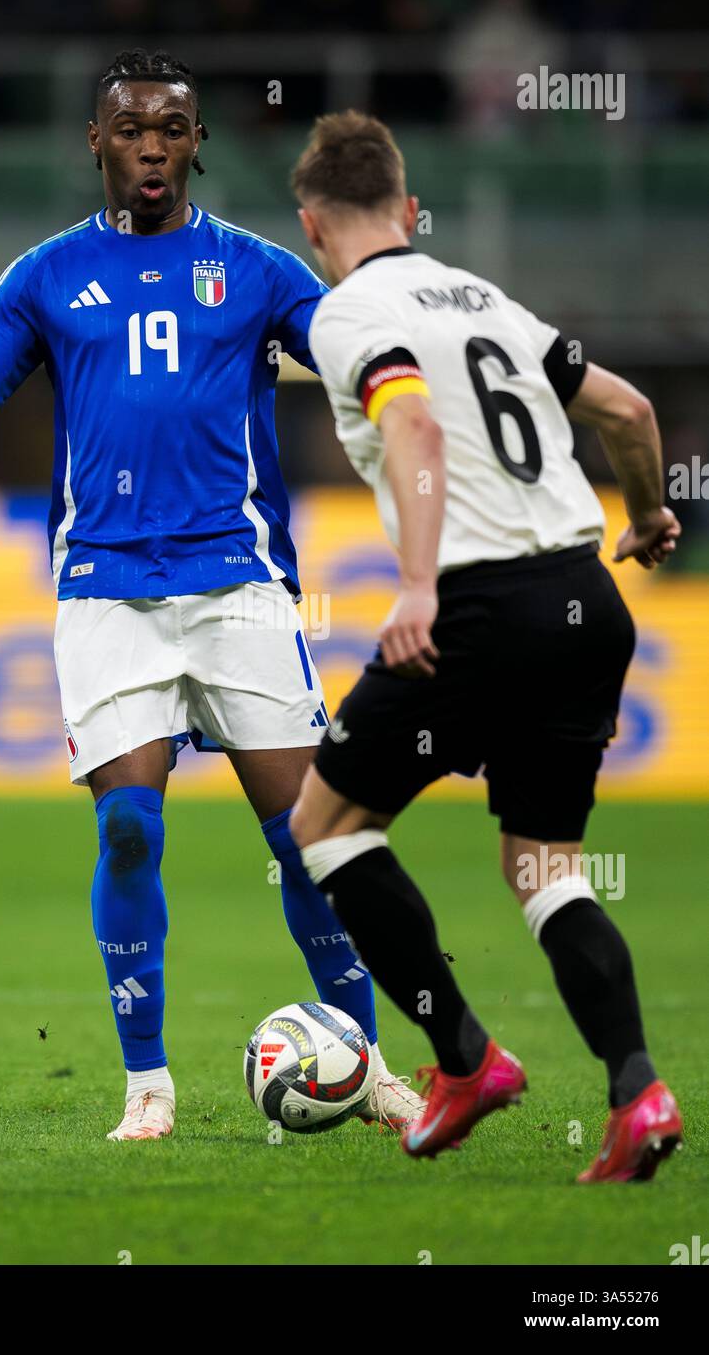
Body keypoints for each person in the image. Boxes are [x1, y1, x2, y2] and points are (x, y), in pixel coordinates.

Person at [0, 54, 425, 1141]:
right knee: (129, 830)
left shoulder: (257, 269)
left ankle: (363, 1061)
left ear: (195, 145)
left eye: (171, 129)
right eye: (131, 128)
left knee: (309, 839)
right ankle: (148, 1082)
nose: (151, 146)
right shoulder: (45, 274)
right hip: (107, 592)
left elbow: (351, 353)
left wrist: (413, 388)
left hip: (237, 583)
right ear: (96, 141)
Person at [288, 109, 684, 1183]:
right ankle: (636, 1089)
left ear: (312, 222)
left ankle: (462, 1058)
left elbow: (410, 426)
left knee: (324, 824)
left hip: (475, 602)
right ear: (409, 210)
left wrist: (415, 583)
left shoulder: (347, 312)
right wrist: (646, 520)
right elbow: (630, 412)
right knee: (544, 865)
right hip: (583, 600)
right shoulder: (483, 299)